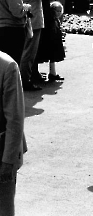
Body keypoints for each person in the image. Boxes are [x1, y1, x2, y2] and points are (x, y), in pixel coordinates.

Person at [15, 0, 55, 90]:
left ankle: (20, 78)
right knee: (29, 52)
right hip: (34, 19)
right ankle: (25, 81)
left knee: (20, 50)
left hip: (18, 17)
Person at [0, 51, 28, 216]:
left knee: (4, 207)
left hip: (2, 147)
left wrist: (8, 161)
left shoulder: (7, 66)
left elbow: (15, 119)